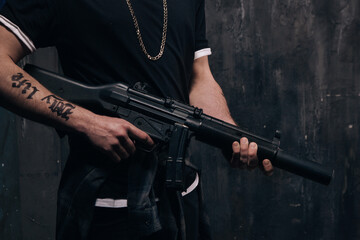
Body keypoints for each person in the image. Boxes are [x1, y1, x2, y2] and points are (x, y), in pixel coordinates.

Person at [0, 0, 274, 239]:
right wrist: (86, 121)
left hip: (181, 197)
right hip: (105, 205)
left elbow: (199, 76)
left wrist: (230, 135)